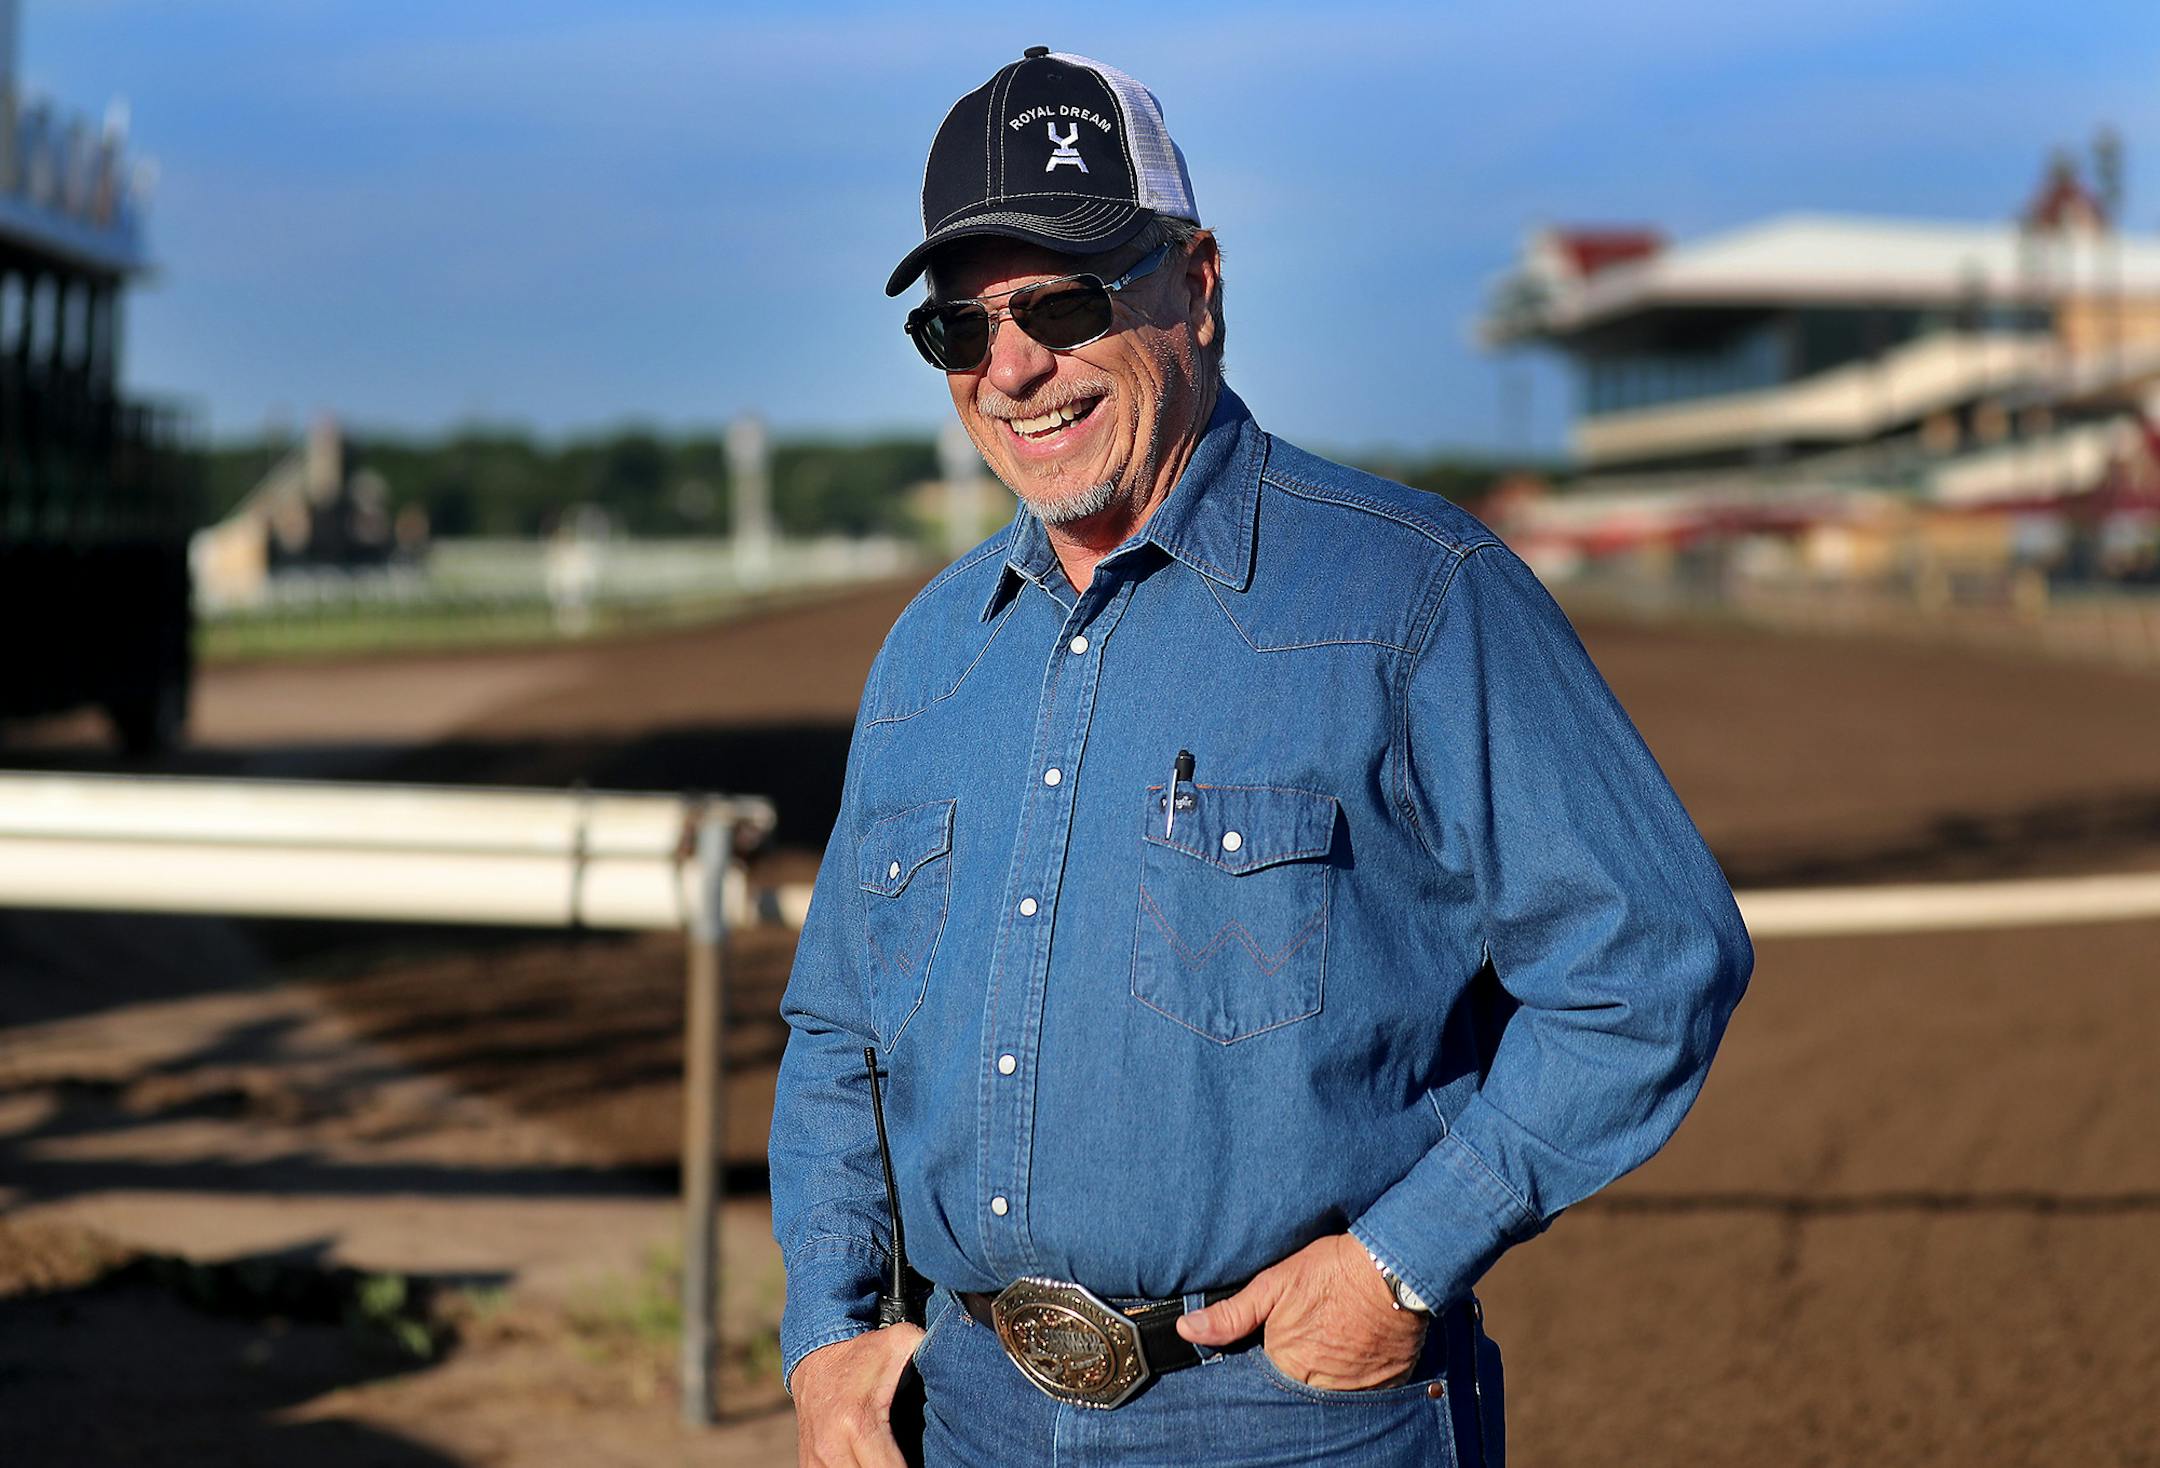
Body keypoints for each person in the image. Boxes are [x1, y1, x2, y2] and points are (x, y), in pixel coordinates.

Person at [770, 47, 1752, 1468]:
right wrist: (828, 1330)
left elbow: (1650, 959)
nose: (1012, 368)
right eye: (959, 329)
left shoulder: (1414, 595)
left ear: (1197, 285)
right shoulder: (931, 655)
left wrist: (1402, 1262)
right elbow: (840, 1033)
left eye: (1062, 304)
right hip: (969, 1414)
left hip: (1295, 1417)